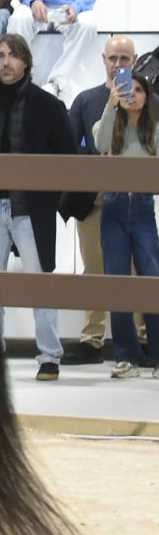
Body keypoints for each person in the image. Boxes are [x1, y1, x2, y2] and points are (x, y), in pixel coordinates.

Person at [0, 33, 77, 381]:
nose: (5, 62)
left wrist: (51, 202)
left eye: (12, 55)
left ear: (26, 61)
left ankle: (49, 356)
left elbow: (68, 160)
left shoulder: (49, 106)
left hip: (32, 209)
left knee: (41, 282)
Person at [68, 36, 142, 365]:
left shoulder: (147, 100)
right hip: (94, 202)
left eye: (124, 58)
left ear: (135, 59)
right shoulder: (86, 100)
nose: (118, 65)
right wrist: (91, 187)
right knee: (94, 272)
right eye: (113, 58)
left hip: (134, 201)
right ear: (103, 59)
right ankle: (92, 339)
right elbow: (72, 149)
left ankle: (143, 337)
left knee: (139, 272)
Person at [91, 70, 159, 378]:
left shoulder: (155, 129)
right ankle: (126, 356)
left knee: (151, 279)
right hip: (114, 207)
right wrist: (110, 103)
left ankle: (157, 355)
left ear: (147, 96)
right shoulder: (110, 123)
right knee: (115, 280)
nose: (132, 95)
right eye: (125, 90)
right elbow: (100, 142)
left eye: (138, 91)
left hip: (144, 206)